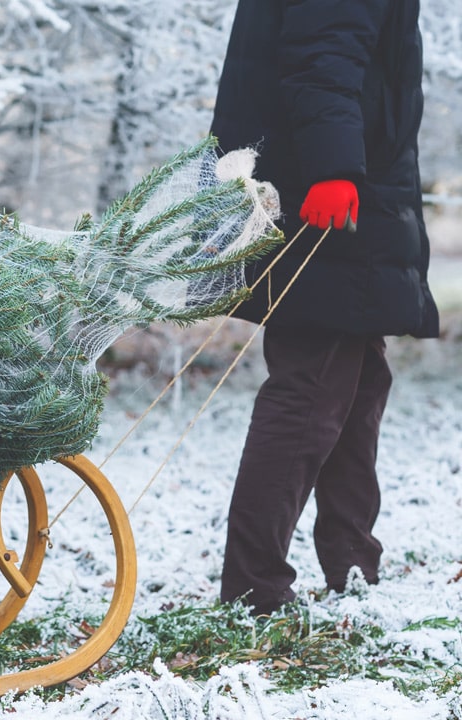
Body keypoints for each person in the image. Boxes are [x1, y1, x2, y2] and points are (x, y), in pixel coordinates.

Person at [210, 0, 438, 616]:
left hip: (351, 192)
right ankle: (254, 592)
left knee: (359, 383)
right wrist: (336, 168)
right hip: (330, 194)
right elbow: (322, 62)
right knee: (311, 390)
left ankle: (354, 567)